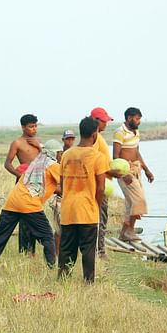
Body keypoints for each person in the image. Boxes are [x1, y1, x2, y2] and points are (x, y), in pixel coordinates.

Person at [0, 140, 62, 267]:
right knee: (47, 236)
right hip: (29, 204)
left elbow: (48, 185)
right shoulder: (53, 165)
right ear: (54, 153)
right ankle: (52, 265)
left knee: (0, 236)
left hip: (12, 202)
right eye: (60, 153)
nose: (61, 156)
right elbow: (65, 184)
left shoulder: (36, 162)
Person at [58, 117, 109, 283]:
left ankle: (63, 279)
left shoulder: (67, 154)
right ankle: (88, 282)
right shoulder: (97, 156)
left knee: (66, 249)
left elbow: (62, 182)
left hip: (68, 209)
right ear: (95, 134)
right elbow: (101, 187)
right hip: (87, 209)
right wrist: (97, 203)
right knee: (88, 249)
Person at [112, 107, 154, 242]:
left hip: (136, 168)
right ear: (129, 118)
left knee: (131, 203)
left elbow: (136, 152)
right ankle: (129, 231)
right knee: (139, 201)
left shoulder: (136, 132)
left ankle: (125, 233)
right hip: (125, 171)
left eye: (139, 119)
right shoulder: (119, 132)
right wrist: (124, 174)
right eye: (137, 118)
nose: (139, 121)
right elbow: (115, 156)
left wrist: (146, 170)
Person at [4, 114, 44, 256]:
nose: (34, 129)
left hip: (37, 183)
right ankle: (25, 251)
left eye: (35, 126)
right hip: (23, 183)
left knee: (35, 214)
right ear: (23, 127)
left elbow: (45, 159)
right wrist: (18, 174)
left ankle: (33, 250)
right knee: (24, 218)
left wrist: (39, 147)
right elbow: (7, 163)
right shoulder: (17, 143)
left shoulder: (38, 141)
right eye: (31, 126)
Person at [90, 107, 124, 258]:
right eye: (104, 121)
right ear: (96, 121)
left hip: (103, 183)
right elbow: (93, 163)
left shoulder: (98, 136)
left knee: (100, 217)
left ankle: (98, 249)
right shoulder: (94, 137)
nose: (106, 124)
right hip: (99, 184)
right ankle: (100, 251)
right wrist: (112, 173)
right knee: (100, 218)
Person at [50, 130, 76, 255]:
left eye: (72, 139)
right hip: (60, 196)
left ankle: (67, 252)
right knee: (59, 228)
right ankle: (57, 253)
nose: (70, 141)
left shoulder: (75, 154)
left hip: (71, 195)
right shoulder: (58, 157)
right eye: (68, 139)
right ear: (63, 140)